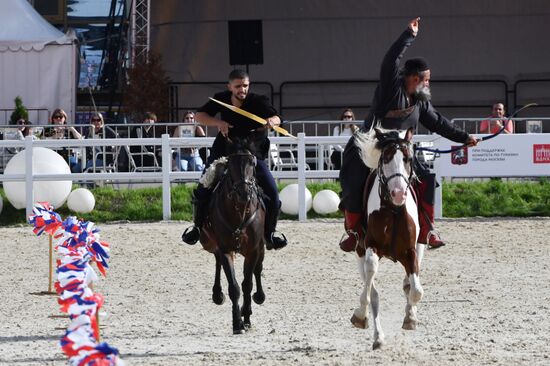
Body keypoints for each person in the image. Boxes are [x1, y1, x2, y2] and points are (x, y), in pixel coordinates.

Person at [338, 17, 478, 252]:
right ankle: (353, 231)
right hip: (373, 145)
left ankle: (427, 230)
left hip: (402, 151)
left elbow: (439, 123)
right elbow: (390, 60)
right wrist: (408, 36)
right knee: (354, 180)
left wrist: (464, 138)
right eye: (427, 80)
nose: (428, 83)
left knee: (428, 181)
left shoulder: (420, 100)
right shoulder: (391, 88)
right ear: (415, 79)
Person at [181, 69, 288, 250]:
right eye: (238, 86)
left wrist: (272, 121)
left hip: (252, 155)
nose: (242, 90)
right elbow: (199, 116)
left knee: (274, 194)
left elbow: (278, 117)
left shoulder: (258, 101)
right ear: (229, 87)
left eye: (245, 86)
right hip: (224, 152)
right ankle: (197, 229)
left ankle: (270, 234)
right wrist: (218, 123)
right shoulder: (221, 98)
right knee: (202, 189)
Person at [44, 108, 83, 172]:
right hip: (52, 155)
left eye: (61, 117)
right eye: (56, 117)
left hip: (68, 155)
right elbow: (41, 140)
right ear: (53, 119)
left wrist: (73, 130)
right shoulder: (47, 129)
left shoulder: (69, 130)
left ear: (64, 118)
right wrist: (53, 137)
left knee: (76, 166)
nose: (58, 119)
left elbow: (81, 140)